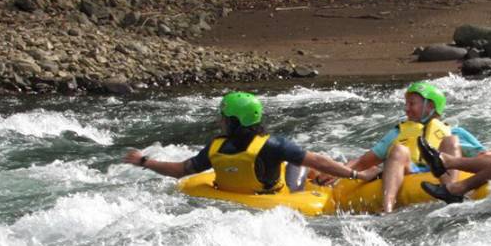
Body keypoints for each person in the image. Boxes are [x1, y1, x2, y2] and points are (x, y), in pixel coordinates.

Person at [123, 91, 380, 192]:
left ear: (235, 121)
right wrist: (355, 176)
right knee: (305, 159)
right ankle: (328, 180)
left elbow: (180, 171)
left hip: (236, 196)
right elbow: (320, 161)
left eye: (224, 117)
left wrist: (144, 161)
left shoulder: (215, 147)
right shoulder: (274, 145)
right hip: (273, 197)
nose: (220, 121)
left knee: (297, 160)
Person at [336, 81, 486, 213]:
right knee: (399, 150)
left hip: (443, 174)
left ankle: (452, 192)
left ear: (430, 106)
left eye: (412, 103)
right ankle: (387, 208)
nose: (406, 109)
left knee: (451, 141)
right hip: (409, 171)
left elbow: (483, 158)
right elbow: (363, 162)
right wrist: (336, 172)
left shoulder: (455, 132)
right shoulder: (398, 132)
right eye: (406, 104)